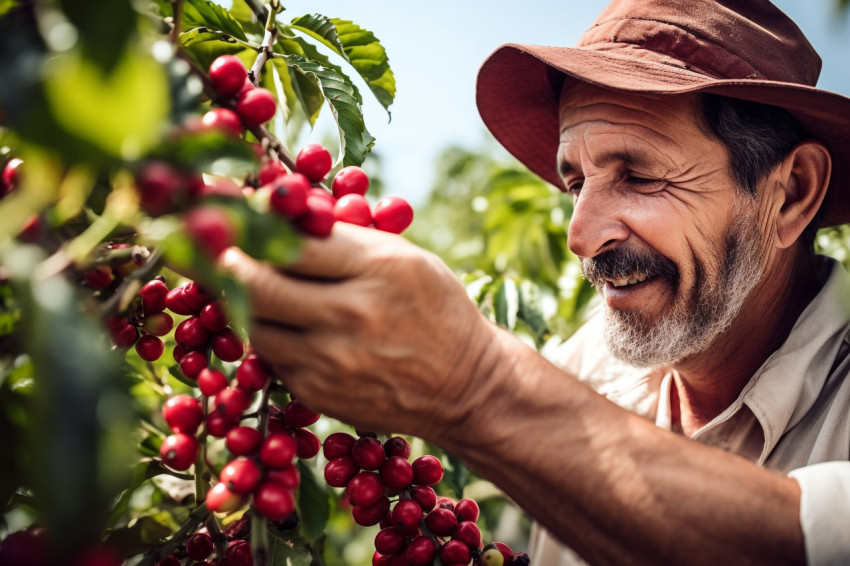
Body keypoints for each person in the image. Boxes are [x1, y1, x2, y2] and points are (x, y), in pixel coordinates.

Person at [219, 0, 850, 563]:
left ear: (789, 194)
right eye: (576, 183)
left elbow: (805, 543)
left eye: (640, 175)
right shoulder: (581, 369)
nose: (581, 235)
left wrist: (474, 385)